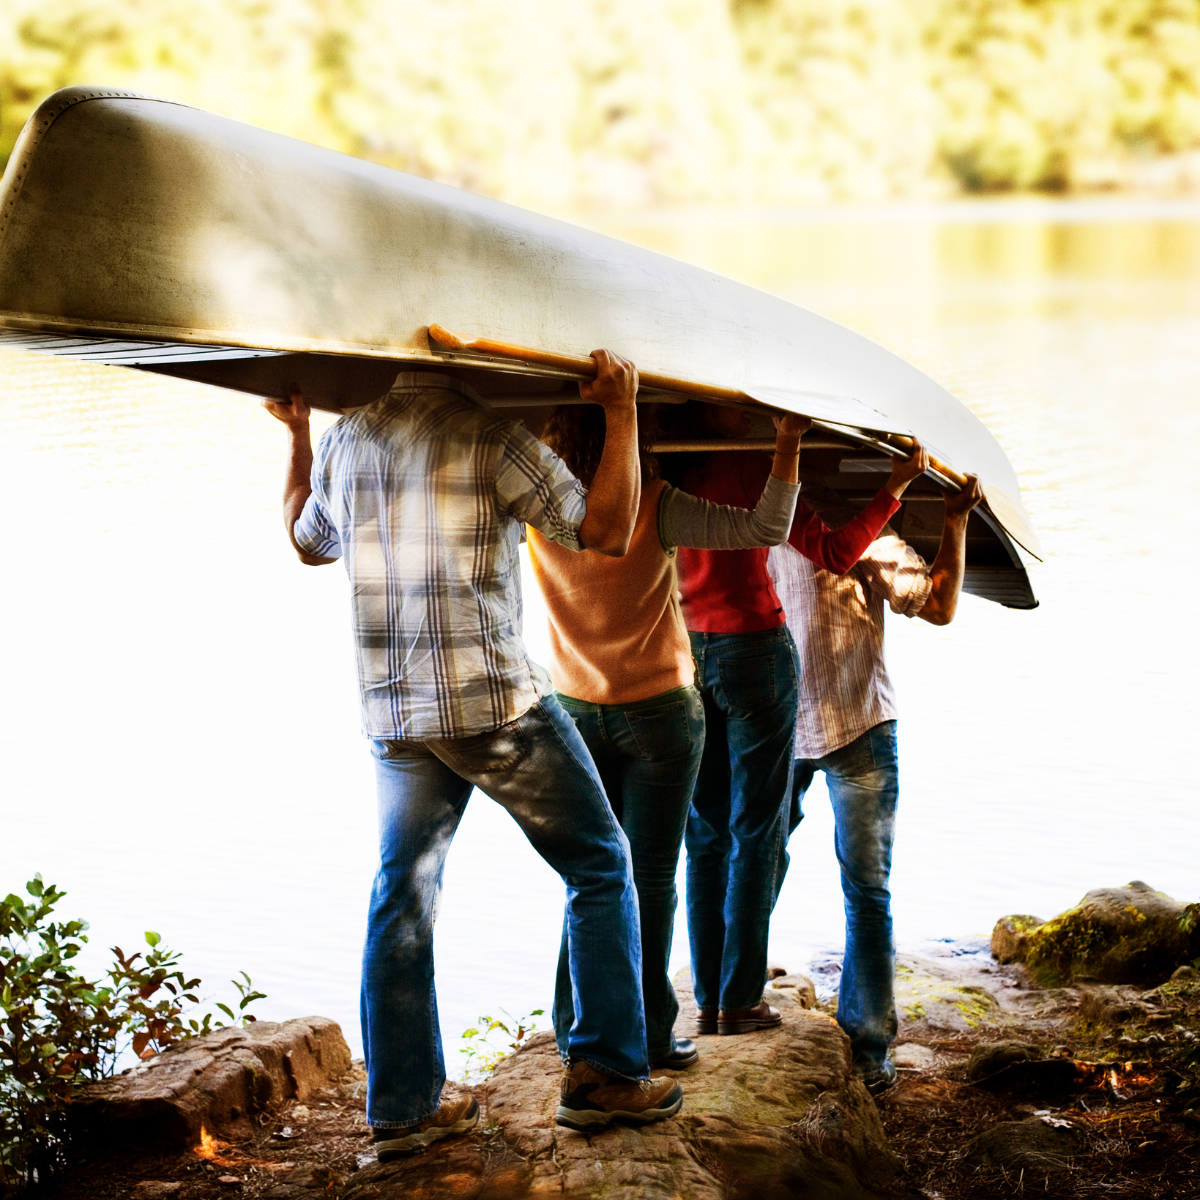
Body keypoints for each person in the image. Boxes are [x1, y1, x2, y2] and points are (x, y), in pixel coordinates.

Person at [261, 352, 685, 1158]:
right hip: (491, 708)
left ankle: (404, 1111)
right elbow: (607, 530)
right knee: (601, 865)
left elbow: (306, 541)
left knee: (402, 895)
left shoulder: (349, 441)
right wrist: (623, 411)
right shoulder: (496, 437)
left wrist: (300, 435)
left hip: (396, 713)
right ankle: (606, 1074)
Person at [527, 403, 809, 1074]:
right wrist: (790, 444)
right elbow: (767, 525)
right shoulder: (654, 503)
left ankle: (574, 1030)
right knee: (649, 878)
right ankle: (649, 1035)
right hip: (658, 710)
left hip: (574, 708)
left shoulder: (535, 508)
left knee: (589, 874)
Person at [667, 403, 930, 1037]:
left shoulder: (662, 468)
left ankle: (706, 999)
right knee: (757, 830)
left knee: (704, 835)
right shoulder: (758, 466)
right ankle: (739, 999)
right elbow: (836, 552)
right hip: (754, 650)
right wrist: (893, 487)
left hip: (686, 651)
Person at [767, 471, 984, 1093]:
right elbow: (939, 606)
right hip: (851, 720)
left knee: (751, 864)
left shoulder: (746, 523)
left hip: (779, 724)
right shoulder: (859, 531)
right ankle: (867, 1051)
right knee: (867, 890)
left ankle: (731, 1000)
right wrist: (955, 517)